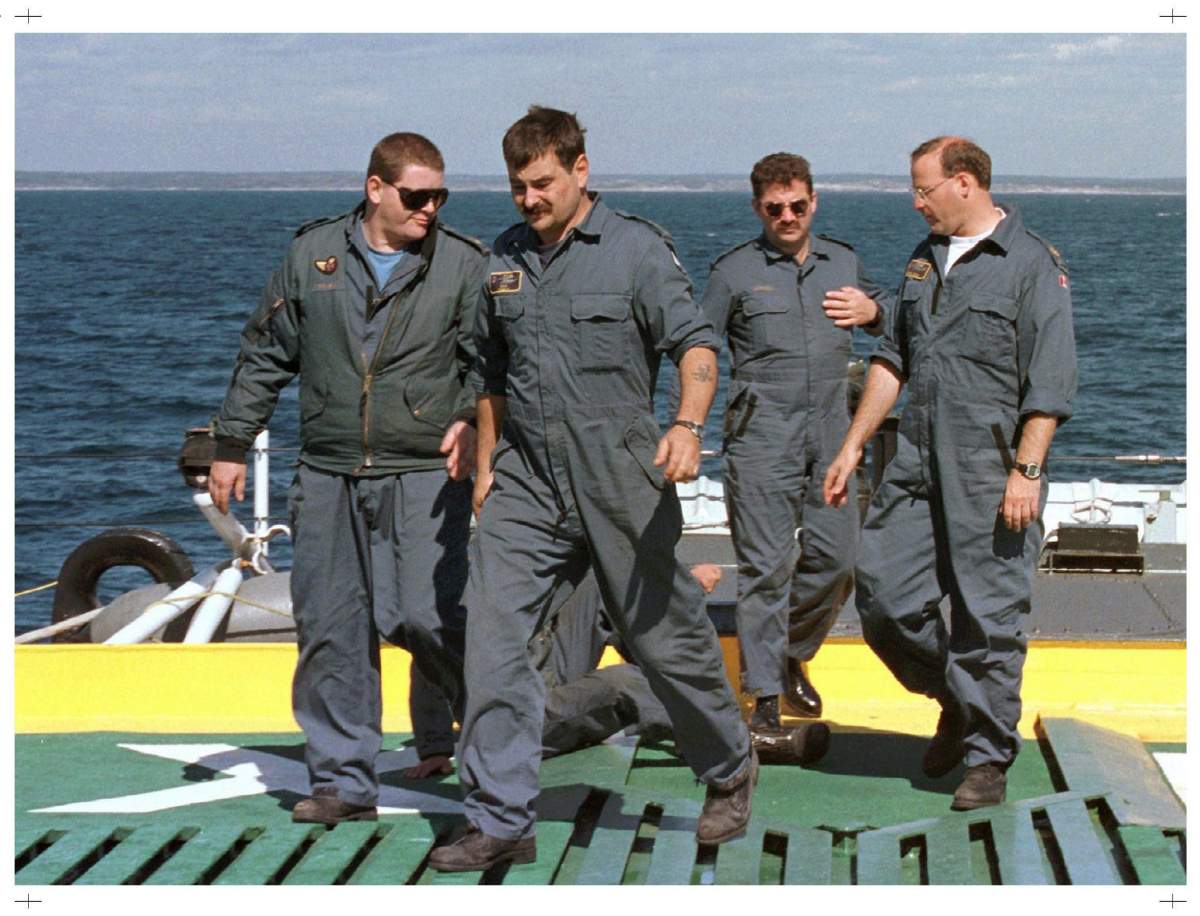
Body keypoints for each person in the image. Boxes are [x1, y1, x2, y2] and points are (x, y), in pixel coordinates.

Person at [428, 106, 756, 873]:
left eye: (542, 182)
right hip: (530, 485)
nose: (528, 199)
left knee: (666, 639)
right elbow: (489, 373)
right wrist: (486, 465)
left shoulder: (636, 251)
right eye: (517, 186)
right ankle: (500, 816)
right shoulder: (503, 260)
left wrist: (686, 425)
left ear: (580, 169)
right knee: (495, 644)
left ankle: (730, 766)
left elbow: (697, 346)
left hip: (620, 480)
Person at [208, 132, 487, 825]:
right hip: (330, 472)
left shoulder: (463, 265)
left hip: (425, 470)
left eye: (439, 197)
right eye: (416, 196)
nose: (430, 209)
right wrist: (232, 443)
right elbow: (266, 351)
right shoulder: (313, 255)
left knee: (425, 616)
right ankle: (341, 782)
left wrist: (475, 422)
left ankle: (495, 742)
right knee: (332, 628)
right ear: (375, 189)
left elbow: (493, 363)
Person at [823, 136, 1076, 810]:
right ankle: (958, 700)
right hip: (916, 462)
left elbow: (1050, 382)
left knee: (989, 616)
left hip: (992, 470)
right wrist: (852, 445)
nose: (916, 201)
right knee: (880, 594)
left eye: (923, 188)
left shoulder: (1030, 265)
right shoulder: (922, 261)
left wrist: (1026, 469)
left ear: (964, 183)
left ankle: (987, 757)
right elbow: (892, 359)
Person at [701, 152, 892, 738]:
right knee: (765, 569)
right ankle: (761, 700)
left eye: (798, 205)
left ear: (814, 201)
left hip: (833, 431)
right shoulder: (733, 272)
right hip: (762, 434)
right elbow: (699, 350)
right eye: (775, 207)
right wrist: (685, 427)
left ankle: (787, 653)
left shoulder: (844, 260)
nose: (787, 215)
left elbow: (893, 325)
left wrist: (875, 309)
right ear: (758, 207)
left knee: (839, 559)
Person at [405, 564, 831, 776]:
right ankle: (725, 737)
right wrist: (435, 747)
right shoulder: (467, 574)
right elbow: (427, 655)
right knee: (626, 683)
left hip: (549, 663)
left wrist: (679, 582)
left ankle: (681, 697)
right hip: (516, 718)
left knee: (602, 582)